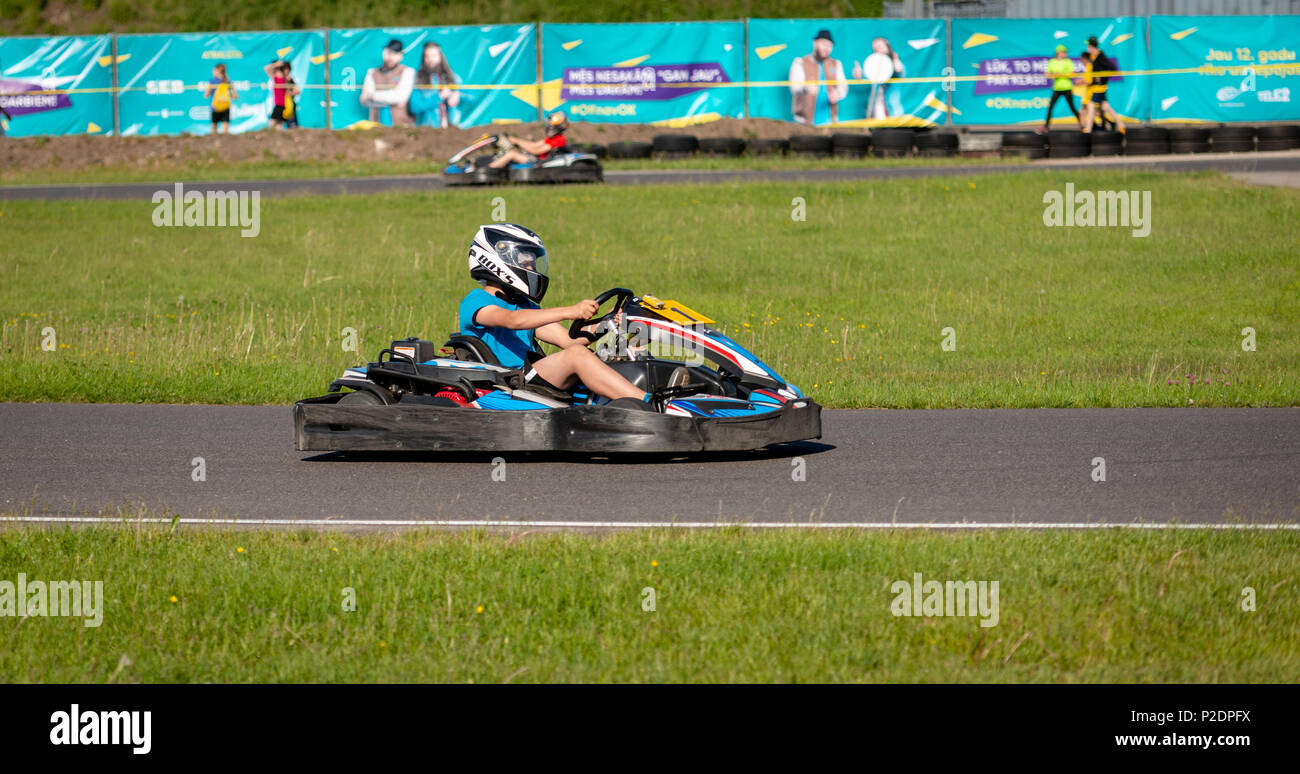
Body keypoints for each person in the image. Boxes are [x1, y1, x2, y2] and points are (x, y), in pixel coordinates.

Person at [459, 223, 656, 410]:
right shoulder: (476, 301)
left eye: (532, 265)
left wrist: (606, 323)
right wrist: (571, 311)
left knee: (623, 349)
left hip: (530, 376)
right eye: (526, 264)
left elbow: (569, 341)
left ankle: (669, 395)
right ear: (496, 262)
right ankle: (649, 403)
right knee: (577, 356)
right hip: (508, 382)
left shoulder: (525, 307)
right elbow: (512, 320)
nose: (532, 270)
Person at [789, 29, 847, 125]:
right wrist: (806, 88)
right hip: (804, 122)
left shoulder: (836, 64)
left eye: (830, 46)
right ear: (815, 43)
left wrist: (838, 94)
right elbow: (794, 88)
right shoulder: (800, 62)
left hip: (830, 121)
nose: (827, 48)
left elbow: (843, 87)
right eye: (824, 44)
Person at [361, 38, 415, 126]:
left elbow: (400, 97)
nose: (391, 57)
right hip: (375, 127)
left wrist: (372, 96)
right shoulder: (372, 72)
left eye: (395, 54)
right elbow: (364, 100)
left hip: (401, 127)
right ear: (384, 53)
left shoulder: (408, 71)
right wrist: (392, 99)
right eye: (389, 53)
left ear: (401, 56)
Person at [489, 111, 568, 169]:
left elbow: (536, 151)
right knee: (507, 151)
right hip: (535, 159)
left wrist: (516, 142)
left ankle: (490, 170)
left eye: (551, 127)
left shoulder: (559, 140)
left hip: (539, 162)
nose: (549, 129)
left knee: (511, 154)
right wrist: (513, 140)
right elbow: (534, 145)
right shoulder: (551, 138)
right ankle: (492, 164)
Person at [408, 42, 461, 128]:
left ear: (441, 57)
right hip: (428, 130)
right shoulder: (418, 79)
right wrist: (438, 97)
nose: (430, 59)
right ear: (423, 58)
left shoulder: (453, 77)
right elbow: (414, 107)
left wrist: (457, 94)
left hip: (453, 130)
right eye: (427, 56)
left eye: (434, 56)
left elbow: (472, 98)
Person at [853, 36, 905, 120]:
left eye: (880, 46)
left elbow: (900, 71)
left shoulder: (895, 62)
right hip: (877, 110)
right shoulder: (873, 66)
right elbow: (867, 78)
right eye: (875, 48)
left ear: (887, 48)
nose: (878, 50)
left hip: (893, 111)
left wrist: (896, 62)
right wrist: (859, 76)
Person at [1082, 36, 1125, 134]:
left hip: (1100, 88)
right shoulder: (1094, 56)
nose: (1087, 48)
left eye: (1088, 46)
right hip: (1096, 87)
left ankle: (1088, 129)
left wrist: (1102, 78)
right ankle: (1121, 125)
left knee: (1091, 105)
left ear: (1091, 46)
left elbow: (1112, 68)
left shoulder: (1101, 56)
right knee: (1105, 107)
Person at [1038, 44, 1080, 134]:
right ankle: (1046, 127)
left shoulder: (1068, 61)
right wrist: (1053, 75)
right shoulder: (1052, 62)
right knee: (1051, 107)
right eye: (1064, 52)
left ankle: (1082, 123)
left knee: (1072, 107)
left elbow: (1072, 74)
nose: (1066, 53)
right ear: (1058, 53)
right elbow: (1047, 74)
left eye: (1066, 52)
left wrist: (1059, 74)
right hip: (1057, 88)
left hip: (1067, 87)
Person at [204, 63, 237, 135]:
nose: (212, 72)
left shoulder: (212, 81)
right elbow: (235, 96)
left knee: (214, 131)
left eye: (213, 70)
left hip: (215, 107)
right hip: (225, 107)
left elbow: (206, 95)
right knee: (225, 132)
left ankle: (215, 145)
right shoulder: (228, 81)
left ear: (217, 71)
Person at [263, 59, 289, 129]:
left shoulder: (285, 77)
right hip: (278, 104)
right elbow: (266, 68)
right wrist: (276, 64)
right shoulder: (274, 77)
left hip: (284, 104)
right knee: (272, 123)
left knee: (279, 124)